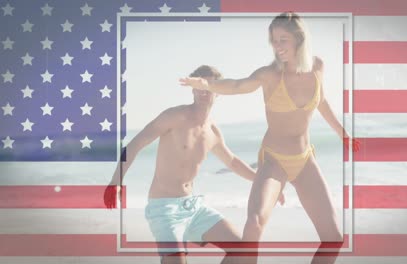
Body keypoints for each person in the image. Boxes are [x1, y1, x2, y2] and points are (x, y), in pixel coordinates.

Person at [180, 12, 359, 264]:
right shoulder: (269, 74)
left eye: (282, 40)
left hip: (304, 159)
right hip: (274, 160)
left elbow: (321, 101)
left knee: (334, 239)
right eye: (273, 40)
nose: (277, 46)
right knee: (253, 224)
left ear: (299, 38)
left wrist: (342, 133)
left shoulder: (317, 67)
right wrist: (207, 85)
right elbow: (236, 85)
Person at [104, 65, 284, 264]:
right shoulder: (174, 116)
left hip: (194, 207)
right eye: (198, 85)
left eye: (207, 86)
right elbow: (136, 144)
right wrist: (116, 181)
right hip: (164, 209)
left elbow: (233, 162)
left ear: (219, 92)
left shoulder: (212, 131)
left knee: (241, 250)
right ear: (191, 89)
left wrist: (266, 185)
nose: (202, 91)